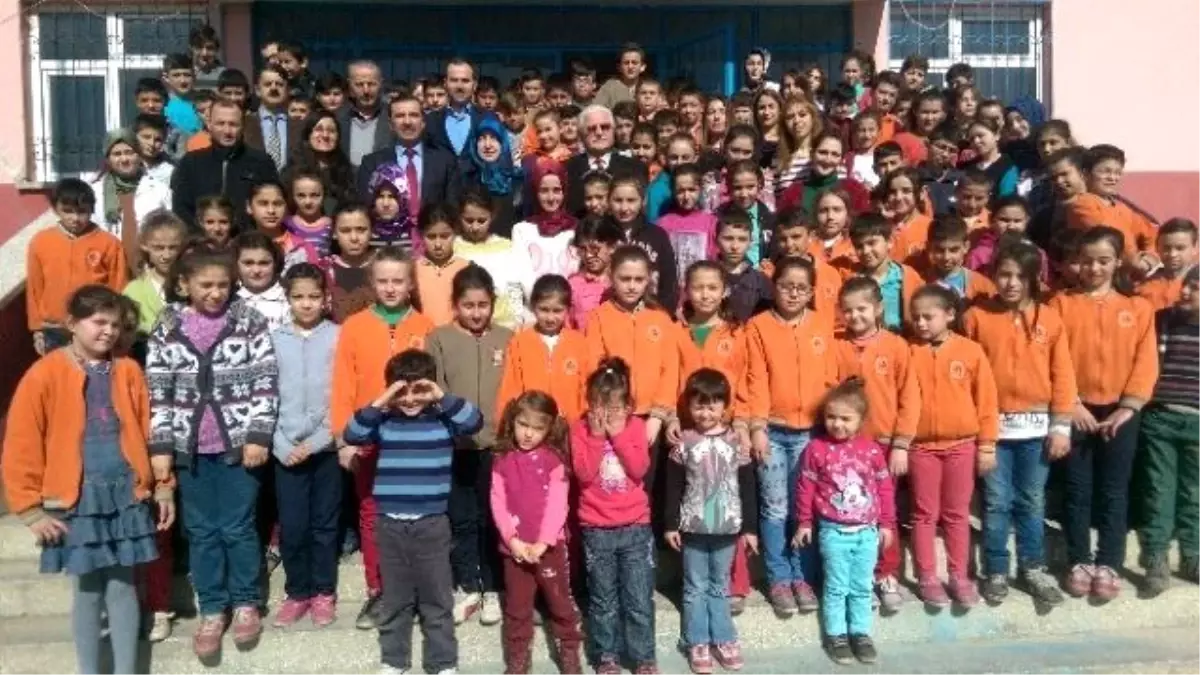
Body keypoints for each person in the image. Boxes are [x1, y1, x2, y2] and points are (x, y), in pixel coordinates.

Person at [2, 284, 174, 675]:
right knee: (88, 591)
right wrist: (29, 509)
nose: (108, 331)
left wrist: (163, 485)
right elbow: (21, 444)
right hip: (77, 500)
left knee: (124, 587)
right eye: (98, 322)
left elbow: (150, 431)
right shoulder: (44, 374)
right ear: (71, 324)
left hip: (125, 495)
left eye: (115, 324)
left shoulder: (128, 370)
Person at [145, 243, 278, 660]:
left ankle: (246, 602)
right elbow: (159, 389)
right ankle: (213, 608)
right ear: (184, 284)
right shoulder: (167, 326)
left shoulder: (248, 321)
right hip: (191, 449)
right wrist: (161, 446)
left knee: (238, 526)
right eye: (206, 285)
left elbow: (265, 380)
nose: (215, 293)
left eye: (222, 285)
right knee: (202, 531)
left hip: (238, 447)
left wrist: (258, 434)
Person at [341, 349, 483, 675]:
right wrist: (383, 399)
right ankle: (394, 661)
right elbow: (352, 433)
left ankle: (442, 663)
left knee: (437, 600)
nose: (409, 399)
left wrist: (439, 396)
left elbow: (474, 421)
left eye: (417, 390)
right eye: (401, 391)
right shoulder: (384, 422)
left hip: (432, 525)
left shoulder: (444, 420)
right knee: (395, 600)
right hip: (390, 525)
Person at [1049, 227, 1157, 602]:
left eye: (1104, 261)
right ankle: (1079, 559)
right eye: (1087, 261)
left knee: (1114, 488)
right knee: (1077, 487)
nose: (1094, 268)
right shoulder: (1060, 304)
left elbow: (1146, 361)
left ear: (1117, 262)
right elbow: (1055, 358)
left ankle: (1109, 561)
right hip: (1075, 407)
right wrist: (1072, 402)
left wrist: (1129, 406)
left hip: (1120, 412)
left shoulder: (1137, 308)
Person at [964, 242, 1074, 607]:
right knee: (997, 502)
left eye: (1020, 276)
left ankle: (1033, 567)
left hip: (1036, 431)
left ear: (1033, 279)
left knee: (1031, 500)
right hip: (992, 429)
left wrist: (1061, 425)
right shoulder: (977, 316)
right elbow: (968, 374)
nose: (1011, 283)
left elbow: (1062, 373)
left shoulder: (1050, 319)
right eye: (1004, 275)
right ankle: (996, 569)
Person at [331, 246, 436, 630]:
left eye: (398, 281)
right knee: (373, 513)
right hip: (371, 436)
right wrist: (344, 439)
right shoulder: (355, 326)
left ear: (410, 284)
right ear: (372, 283)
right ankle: (380, 590)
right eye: (383, 281)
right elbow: (343, 384)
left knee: (420, 514)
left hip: (417, 435)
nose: (390, 288)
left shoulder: (425, 326)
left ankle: (418, 590)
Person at [744, 256, 838, 616]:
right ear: (775, 286)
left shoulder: (821, 325)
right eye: (786, 286)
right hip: (773, 429)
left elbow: (831, 377)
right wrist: (756, 427)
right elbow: (756, 379)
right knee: (775, 506)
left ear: (811, 291)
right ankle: (779, 577)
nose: (793, 293)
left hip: (810, 432)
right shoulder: (759, 327)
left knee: (805, 505)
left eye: (801, 288)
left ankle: (803, 576)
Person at [426, 266, 513, 626]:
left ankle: (492, 587)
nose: (476, 313)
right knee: (461, 519)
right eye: (468, 305)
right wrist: (454, 425)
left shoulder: (508, 338)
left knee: (492, 519)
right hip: (456, 446)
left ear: (493, 303)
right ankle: (467, 585)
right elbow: (435, 389)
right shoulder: (439, 338)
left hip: (496, 447)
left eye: (483, 305)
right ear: (455, 305)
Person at [906, 284, 999, 609]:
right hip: (922, 448)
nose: (921, 323)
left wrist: (987, 445)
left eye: (928, 316)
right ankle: (927, 576)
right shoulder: (909, 351)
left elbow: (986, 402)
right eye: (915, 317)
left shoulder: (970, 352)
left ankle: (959, 575)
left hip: (962, 445)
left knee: (957, 514)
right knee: (924, 514)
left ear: (949, 314)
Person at [672, 261, 755, 614]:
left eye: (712, 287)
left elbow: (749, 380)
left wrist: (744, 423)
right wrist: (671, 416)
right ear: (686, 290)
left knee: (729, 503)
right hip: (690, 431)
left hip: (727, 432)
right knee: (694, 501)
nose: (704, 294)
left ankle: (735, 581)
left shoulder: (737, 333)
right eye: (697, 287)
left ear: (724, 291)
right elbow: (669, 376)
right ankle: (695, 579)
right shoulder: (677, 331)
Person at [832, 277, 917, 614]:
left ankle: (886, 573)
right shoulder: (836, 345)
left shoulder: (896, 346)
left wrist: (902, 443)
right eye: (848, 310)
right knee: (849, 513)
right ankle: (857, 577)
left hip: (883, 446)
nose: (855, 316)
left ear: (879, 308)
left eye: (862, 309)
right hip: (846, 448)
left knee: (884, 512)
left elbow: (909, 397)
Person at [796, 378, 896, 665]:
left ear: (861, 420)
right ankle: (836, 635)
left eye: (845, 419)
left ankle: (861, 633)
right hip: (834, 531)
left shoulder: (872, 450)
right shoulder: (816, 449)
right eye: (831, 417)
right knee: (837, 586)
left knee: (862, 585)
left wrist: (887, 524)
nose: (837, 424)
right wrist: (804, 522)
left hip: (867, 532)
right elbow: (806, 487)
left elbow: (884, 488)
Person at [664, 369, 757, 673]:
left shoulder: (736, 443)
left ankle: (724, 638)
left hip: (727, 529)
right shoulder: (684, 443)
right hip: (693, 528)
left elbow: (747, 487)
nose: (705, 413)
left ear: (725, 406)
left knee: (719, 586)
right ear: (689, 407)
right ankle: (697, 641)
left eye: (713, 405)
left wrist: (750, 528)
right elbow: (673, 487)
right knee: (694, 587)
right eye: (699, 406)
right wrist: (670, 524)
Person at [571, 358, 657, 675]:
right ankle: (607, 655)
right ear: (589, 403)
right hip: (597, 528)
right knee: (603, 599)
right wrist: (596, 437)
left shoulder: (635, 427)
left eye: (615, 408)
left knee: (638, 597)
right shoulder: (580, 429)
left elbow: (639, 469)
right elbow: (583, 473)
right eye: (599, 407)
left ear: (628, 406)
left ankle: (644, 657)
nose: (607, 415)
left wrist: (618, 435)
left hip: (635, 526)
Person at [490, 392, 584, 674]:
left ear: (549, 429)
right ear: (512, 422)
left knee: (561, 604)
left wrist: (543, 542)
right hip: (515, 551)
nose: (528, 434)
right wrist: (512, 540)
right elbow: (498, 502)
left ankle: (569, 653)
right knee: (517, 609)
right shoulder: (502, 460)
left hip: (550, 549)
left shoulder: (554, 461)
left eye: (537, 428)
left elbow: (558, 504)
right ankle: (518, 659)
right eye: (523, 424)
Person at [269, 263, 342, 628]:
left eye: (314, 296)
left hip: (325, 449)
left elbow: (342, 396)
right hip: (285, 450)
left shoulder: (338, 337)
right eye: (298, 297)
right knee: (293, 525)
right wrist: (281, 444)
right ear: (288, 299)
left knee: (324, 525)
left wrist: (316, 442)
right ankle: (297, 591)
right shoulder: (274, 339)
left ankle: (323, 592)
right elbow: (265, 397)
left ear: (326, 298)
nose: (307, 303)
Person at [1139, 265, 1200, 595]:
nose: (1186, 291)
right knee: (1159, 490)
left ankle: (1193, 556)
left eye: (1196, 288)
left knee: (1194, 492)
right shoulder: (1164, 321)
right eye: (1186, 285)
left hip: (1197, 423)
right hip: (1161, 418)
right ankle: (1156, 558)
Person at [28, 179, 129, 355]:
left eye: (82, 211)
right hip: (54, 328)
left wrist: (117, 325)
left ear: (92, 209)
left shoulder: (109, 243)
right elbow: (34, 288)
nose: (75, 218)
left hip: (94, 325)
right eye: (67, 211)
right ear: (55, 209)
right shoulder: (41, 242)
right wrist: (36, 329)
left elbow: (119, 287)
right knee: (57, 372)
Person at [172, 99, 280, 230]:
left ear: (243, 126)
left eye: (233, 124)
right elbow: (181, 208)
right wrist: (202, 234)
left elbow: (270, 204)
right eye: (220, 123)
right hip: (202, 239)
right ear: (209, 125)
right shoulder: (191, 162)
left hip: (247, 238)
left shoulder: (261, 162)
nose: (227, 131)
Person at [496, 274, 589, 424]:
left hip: (570, 426)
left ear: (568, 309)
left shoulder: (579, 343)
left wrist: (583, 422)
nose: (550, 318)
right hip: (531, 427)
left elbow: (586, 388)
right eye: (544, 310)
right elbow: (510, 389)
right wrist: (506, 424)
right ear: (533, 307)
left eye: (557, 311)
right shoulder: (519, 343)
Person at [356, 96, 461, 214]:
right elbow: (366, 208)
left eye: (414, 115)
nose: (407, 122)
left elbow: (452, 208)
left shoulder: (445, 161)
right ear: (390, 124)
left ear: (423, 122)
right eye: (400, 116)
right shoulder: (372, 163)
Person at [454, 188, 532, 330]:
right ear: (459, 216)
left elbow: (517, 286)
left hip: (506, 324)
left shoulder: (507, 247)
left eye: (481, 221)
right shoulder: (454, 248)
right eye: (469, 220)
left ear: (493, 216)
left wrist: (518, 318)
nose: (475, 227)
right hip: (466, 327)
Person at [90, 129, 172, 254]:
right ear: (108, 159)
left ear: (139, 155)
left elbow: (171, 230)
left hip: (148, 260)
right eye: (117, 154)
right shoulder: (94, 192)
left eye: (129, 153)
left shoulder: (159, 190)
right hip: (107, 259)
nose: (124, 159)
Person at [608, 176, 680, 312]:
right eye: (618, 200)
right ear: (608, 200)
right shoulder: (601, 233)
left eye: (631, 200)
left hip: (651, 312)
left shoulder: (657, 235)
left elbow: (669, 281)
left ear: (643, 200)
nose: (624, 207)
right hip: (611, 312)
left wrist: (664, 313)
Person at [123, 210, 186, 363]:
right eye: (159, 248)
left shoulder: (190, 283)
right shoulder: (134, 290)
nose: (166, 255)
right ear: (145, 246)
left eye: (172, 247)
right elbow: (130, 329)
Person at [565, 105, 649, 216]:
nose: (599, 133)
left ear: (613, 131)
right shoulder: (567, 169)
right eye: (592, 128)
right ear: (581, 134)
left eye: (605, 127)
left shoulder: (636, 168)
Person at [848, 214, 923, 334]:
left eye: (871, 243)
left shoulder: (907, 276)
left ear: (889, 242)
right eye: (859, 246)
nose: (866, 251)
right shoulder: (853, 281)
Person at [763, 208, 842, 320]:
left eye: (796, 237)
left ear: (811, 236)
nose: (789, 244)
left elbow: (839, 318)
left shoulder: (830, 274)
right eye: (782, 239)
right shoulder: (766, 275)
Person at [511, 163, 581, 279]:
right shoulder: (522, 230)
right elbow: (521, 274)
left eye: (556, 190)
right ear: (534, 192)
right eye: (544, 191)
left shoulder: (577, 228)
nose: (551, 198)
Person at [282, 110, 357, 217]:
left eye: (331, 131)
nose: (325, 135)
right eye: (319, 129)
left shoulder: (348, 171)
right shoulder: (292, 170)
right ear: (308, 135)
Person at [459, 116, 521, 237]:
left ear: (502, 143)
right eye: (482, 138)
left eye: (494, 138)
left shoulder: (515, 179)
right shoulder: (465, 178)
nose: (487, 145)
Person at [656, 163, 717, 278]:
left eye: (692, 190)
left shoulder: (711, 222)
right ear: (673, 191)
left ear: (700, 189)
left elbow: (714, 259)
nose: (686, 196)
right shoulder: (663, 224)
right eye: (680, 191)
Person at [414, 204, 470, 326]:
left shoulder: (466, 269)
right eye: (431, 237)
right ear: (421, 235)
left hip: (456, 335)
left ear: (455, 233)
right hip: (422, 334)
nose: (438, 244)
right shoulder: (413, 270)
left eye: (444, 236)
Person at [245, 180, 320, 272]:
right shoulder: (239, 247)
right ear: (249, 207)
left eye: (278, 204)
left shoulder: (302, 249)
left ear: (286, 207)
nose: (271, 211)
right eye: (263, 203)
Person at [922, 215, 997, 306]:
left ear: (966, 247)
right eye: (940, 250)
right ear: (929, 247)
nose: (946, 257)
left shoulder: (982, 285)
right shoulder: (920, 281)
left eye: (953, 250)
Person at [426, 58, 495, 157]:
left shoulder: (489, 119)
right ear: (445, 84)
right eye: (454, 80)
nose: (459, 86)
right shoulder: (429, 121)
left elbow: (502, 160)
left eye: (465, 81)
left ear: (474, 85)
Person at [321, 202, 376, 323]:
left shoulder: (385, 266)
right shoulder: (324, 270)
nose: (354, 238)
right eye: (345, 231)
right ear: (334, 233)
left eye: (361, 230)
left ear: (372, 231)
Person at [714, 211, 773, 323]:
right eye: (728, 238)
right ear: (716, 239)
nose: (735, 246)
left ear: (750, 242)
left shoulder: (760, 282)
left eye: (742, 239)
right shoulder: (704, 278)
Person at [243, 66, 302, 171]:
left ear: (288, 90)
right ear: (257, 90)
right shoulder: (244, 124)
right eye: (268, 84)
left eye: (279, 84)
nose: (273, 88)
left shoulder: (300, 126)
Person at [719, 160, 776, 268]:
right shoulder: (718, 217)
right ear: (729, 187)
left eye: (750, 187)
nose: (744, 194)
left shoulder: (769, 219)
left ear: (760, 185)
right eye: (737, 188)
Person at [568, 215, 621, 329]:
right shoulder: (573, 285)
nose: (588, 255)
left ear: (612, 247)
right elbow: (567, 326)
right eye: (583, 249)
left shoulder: (623, 281)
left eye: (594, 248)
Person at [338, 61, 392, 168]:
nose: (366, 91)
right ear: (350, 86)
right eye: (359, 85)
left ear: (381, 84)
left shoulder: (393, 115)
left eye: (371, 84)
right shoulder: (338, 117)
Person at [1138, 218, 1199, 310]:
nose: (1172, 254)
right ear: (1157, 248)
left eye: (1180, 248)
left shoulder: (1195, 287)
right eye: (1166, 248)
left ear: (1195, 248)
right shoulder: (1144, 285)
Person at [233, 231, 289, 329]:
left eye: (264, 263)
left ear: (275, 264)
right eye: (248, 263)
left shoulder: (290, 299)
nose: (256, 270)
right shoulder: (227, 299)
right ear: (236, 264)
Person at [878, 167, 931, 266]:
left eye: (906, 191)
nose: (898, 197)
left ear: (921, 193)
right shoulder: (879, 228)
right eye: (892, 192)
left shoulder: (930, 228)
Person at [284, 170, 334, 258]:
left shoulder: (330, 225)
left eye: (314, 195)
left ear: (324, 195)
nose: (308, 202)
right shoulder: (287, 225)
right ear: (292, 196)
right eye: (301, 195)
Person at [594, 43, 645, 109]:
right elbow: (596, 109)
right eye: (626, 63)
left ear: (642, 67)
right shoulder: (609, 87)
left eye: (634, 63)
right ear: (619, 67)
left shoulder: (649, 87)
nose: (630, 67)